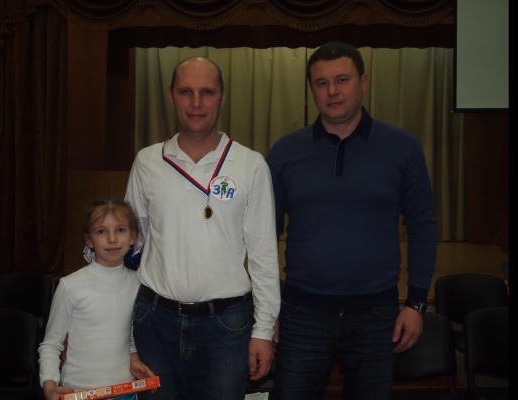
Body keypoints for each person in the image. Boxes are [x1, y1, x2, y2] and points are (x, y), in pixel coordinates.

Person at [266, 41, 438, 399]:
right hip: (301, 314)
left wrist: (416, 304)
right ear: (312, 89)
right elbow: (262, 236)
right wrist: (267, 310)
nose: (332, 91)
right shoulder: (285, 152)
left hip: (377, 315)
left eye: (342, 79)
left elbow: (422, 224)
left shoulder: (403, 147)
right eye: (321, 82)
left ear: (364, 81)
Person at [124, 56, 281, 400]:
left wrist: (263, 330)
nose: (196, 103)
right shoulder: (147, 161)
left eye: (207, 92)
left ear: (222, 97)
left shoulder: (251, 165)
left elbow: (263, 256)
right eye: (186, 92)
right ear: (171, 96)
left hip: (226, 328)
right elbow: (127, 247)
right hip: (154, 323)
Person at [38, 197, 155, 400]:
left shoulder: (139, 283)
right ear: (89, 240)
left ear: (133, 237)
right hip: (77, 391)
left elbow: (129, 333)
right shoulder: (70, 285)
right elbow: (51, 344)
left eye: (120, 230)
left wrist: (134, 358)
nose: (112, 239)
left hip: (124, 392)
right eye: (101, 231)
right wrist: (49, 384)